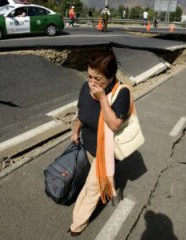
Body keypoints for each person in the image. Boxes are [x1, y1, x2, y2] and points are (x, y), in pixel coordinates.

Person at [68, 51, 131, 237]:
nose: (92, 82)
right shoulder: (85, 88)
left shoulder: (122, 93)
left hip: (107, 149)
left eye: (98, 78)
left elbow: (114, 124)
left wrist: (103, 97)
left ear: (111, 77)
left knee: (91, 187)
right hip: (89, 143)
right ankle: (111, 188)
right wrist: (76, 130)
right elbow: (83, 113)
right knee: (100, 177)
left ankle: (77, 224)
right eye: (89, 76)